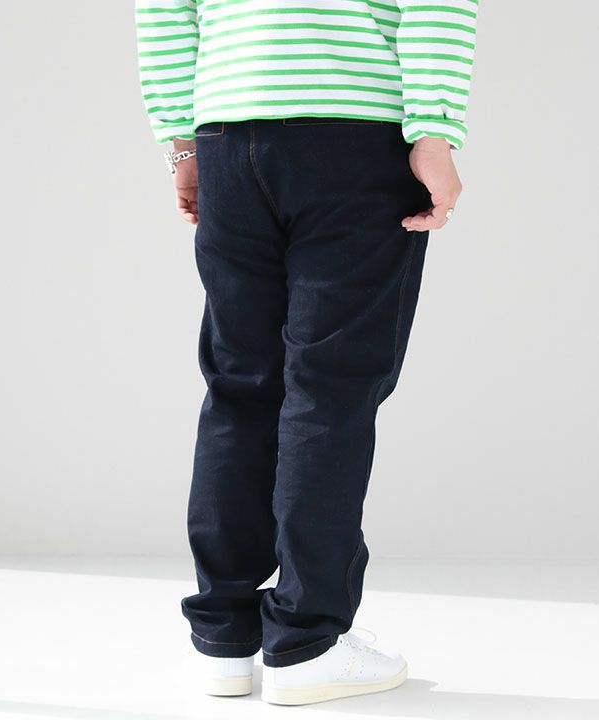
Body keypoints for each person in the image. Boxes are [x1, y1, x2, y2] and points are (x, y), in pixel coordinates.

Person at [135, 0, 478, 706]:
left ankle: (224, 638)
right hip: (354, 135)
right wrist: (434, 130)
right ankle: (306, 641)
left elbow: (165, 10)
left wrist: (181, 143)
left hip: (227, 135)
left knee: (240, 385)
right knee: (329, 388)